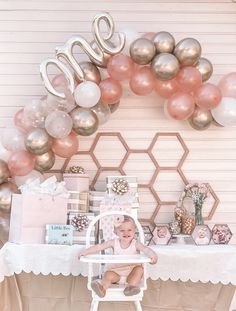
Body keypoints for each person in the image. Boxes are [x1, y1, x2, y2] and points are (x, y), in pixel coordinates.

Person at [78, 215, 158, 298]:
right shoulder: (113, 242)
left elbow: (146, 249)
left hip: (131, 273)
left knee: (139, 269)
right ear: (116, 232)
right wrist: (86, 252)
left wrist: (152, 255)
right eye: (122, 230)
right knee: (108, 274)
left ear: (134, 231)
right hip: (116, 273)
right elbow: (99, 246)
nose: (126, 233)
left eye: (129, 230)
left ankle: (130, 287)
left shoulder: (136, 244)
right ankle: (102, 289)